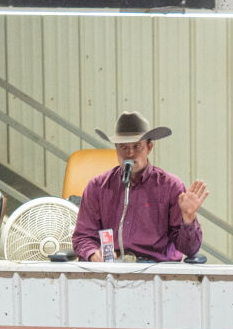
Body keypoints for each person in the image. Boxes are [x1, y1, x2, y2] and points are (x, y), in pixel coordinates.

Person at [72, 111, 209, 262]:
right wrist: (92, 253)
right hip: (112, 269)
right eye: (123, 147)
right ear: (116, 148)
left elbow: (189, 249)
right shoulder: (97, 187)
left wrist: (188, 218)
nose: (130, 153)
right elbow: (83, 236)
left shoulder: (170, 186)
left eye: (137, 146)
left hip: (157, 273)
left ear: (149, 147)